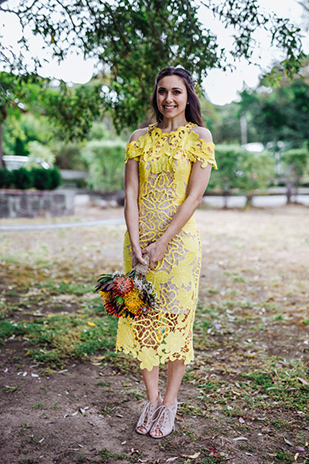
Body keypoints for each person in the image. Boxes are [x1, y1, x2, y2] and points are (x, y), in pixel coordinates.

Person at [116, 66, 217, 438]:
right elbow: (130, 194)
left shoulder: (200, 137)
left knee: (175, 322)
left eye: (176, 92)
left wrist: (162, 243)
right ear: (155, 96)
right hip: (139, 247)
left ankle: (170, 403)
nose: (168, 99)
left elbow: (194, 197)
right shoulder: (139, 138)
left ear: (188, 97)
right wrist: (137, 241)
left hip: (179, 247)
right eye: (162, 92)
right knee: (141, 320)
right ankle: (153, 400)